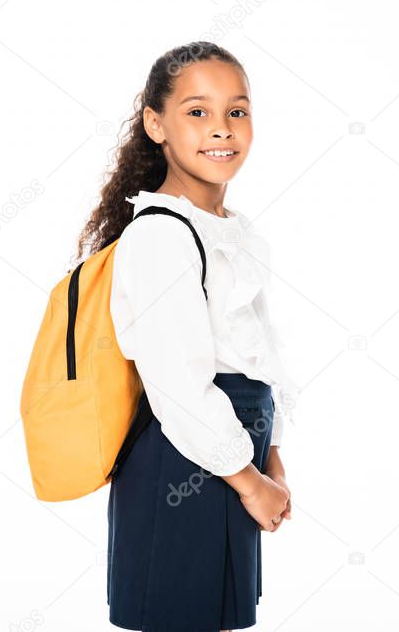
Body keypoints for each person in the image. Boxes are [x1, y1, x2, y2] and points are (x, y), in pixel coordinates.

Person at [72, 41, 298, 632]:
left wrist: (269, 458)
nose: (221, 130)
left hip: (230, 457)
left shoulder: (231, 231)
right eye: (197, 112)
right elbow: (177, 385)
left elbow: (258, 355)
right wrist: (249, 481)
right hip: (182, 461)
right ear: (156, 124)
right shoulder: (161, 236)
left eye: (237, 111)